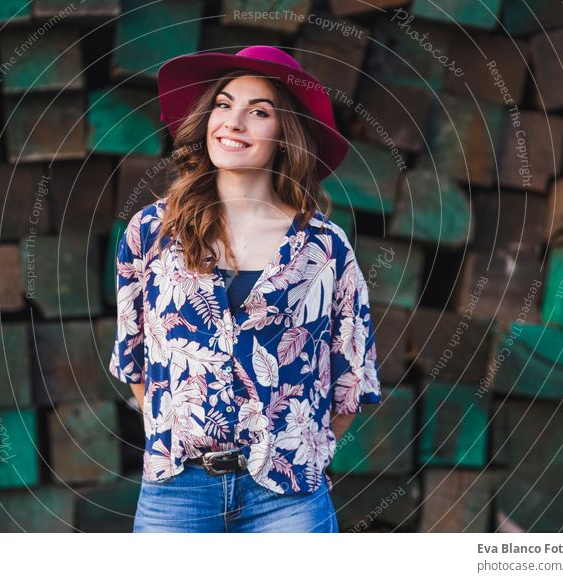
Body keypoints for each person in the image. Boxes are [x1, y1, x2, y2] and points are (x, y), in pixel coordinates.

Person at [109, 45, 382, 533]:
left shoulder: (326, 249)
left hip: (287, 499)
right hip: (177, 492)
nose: (233, 122)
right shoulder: (150, 233)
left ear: (285, 135)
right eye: (223, 105)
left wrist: (299, 456)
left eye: (258, 112)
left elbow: (351, 381)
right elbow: (134, 361)